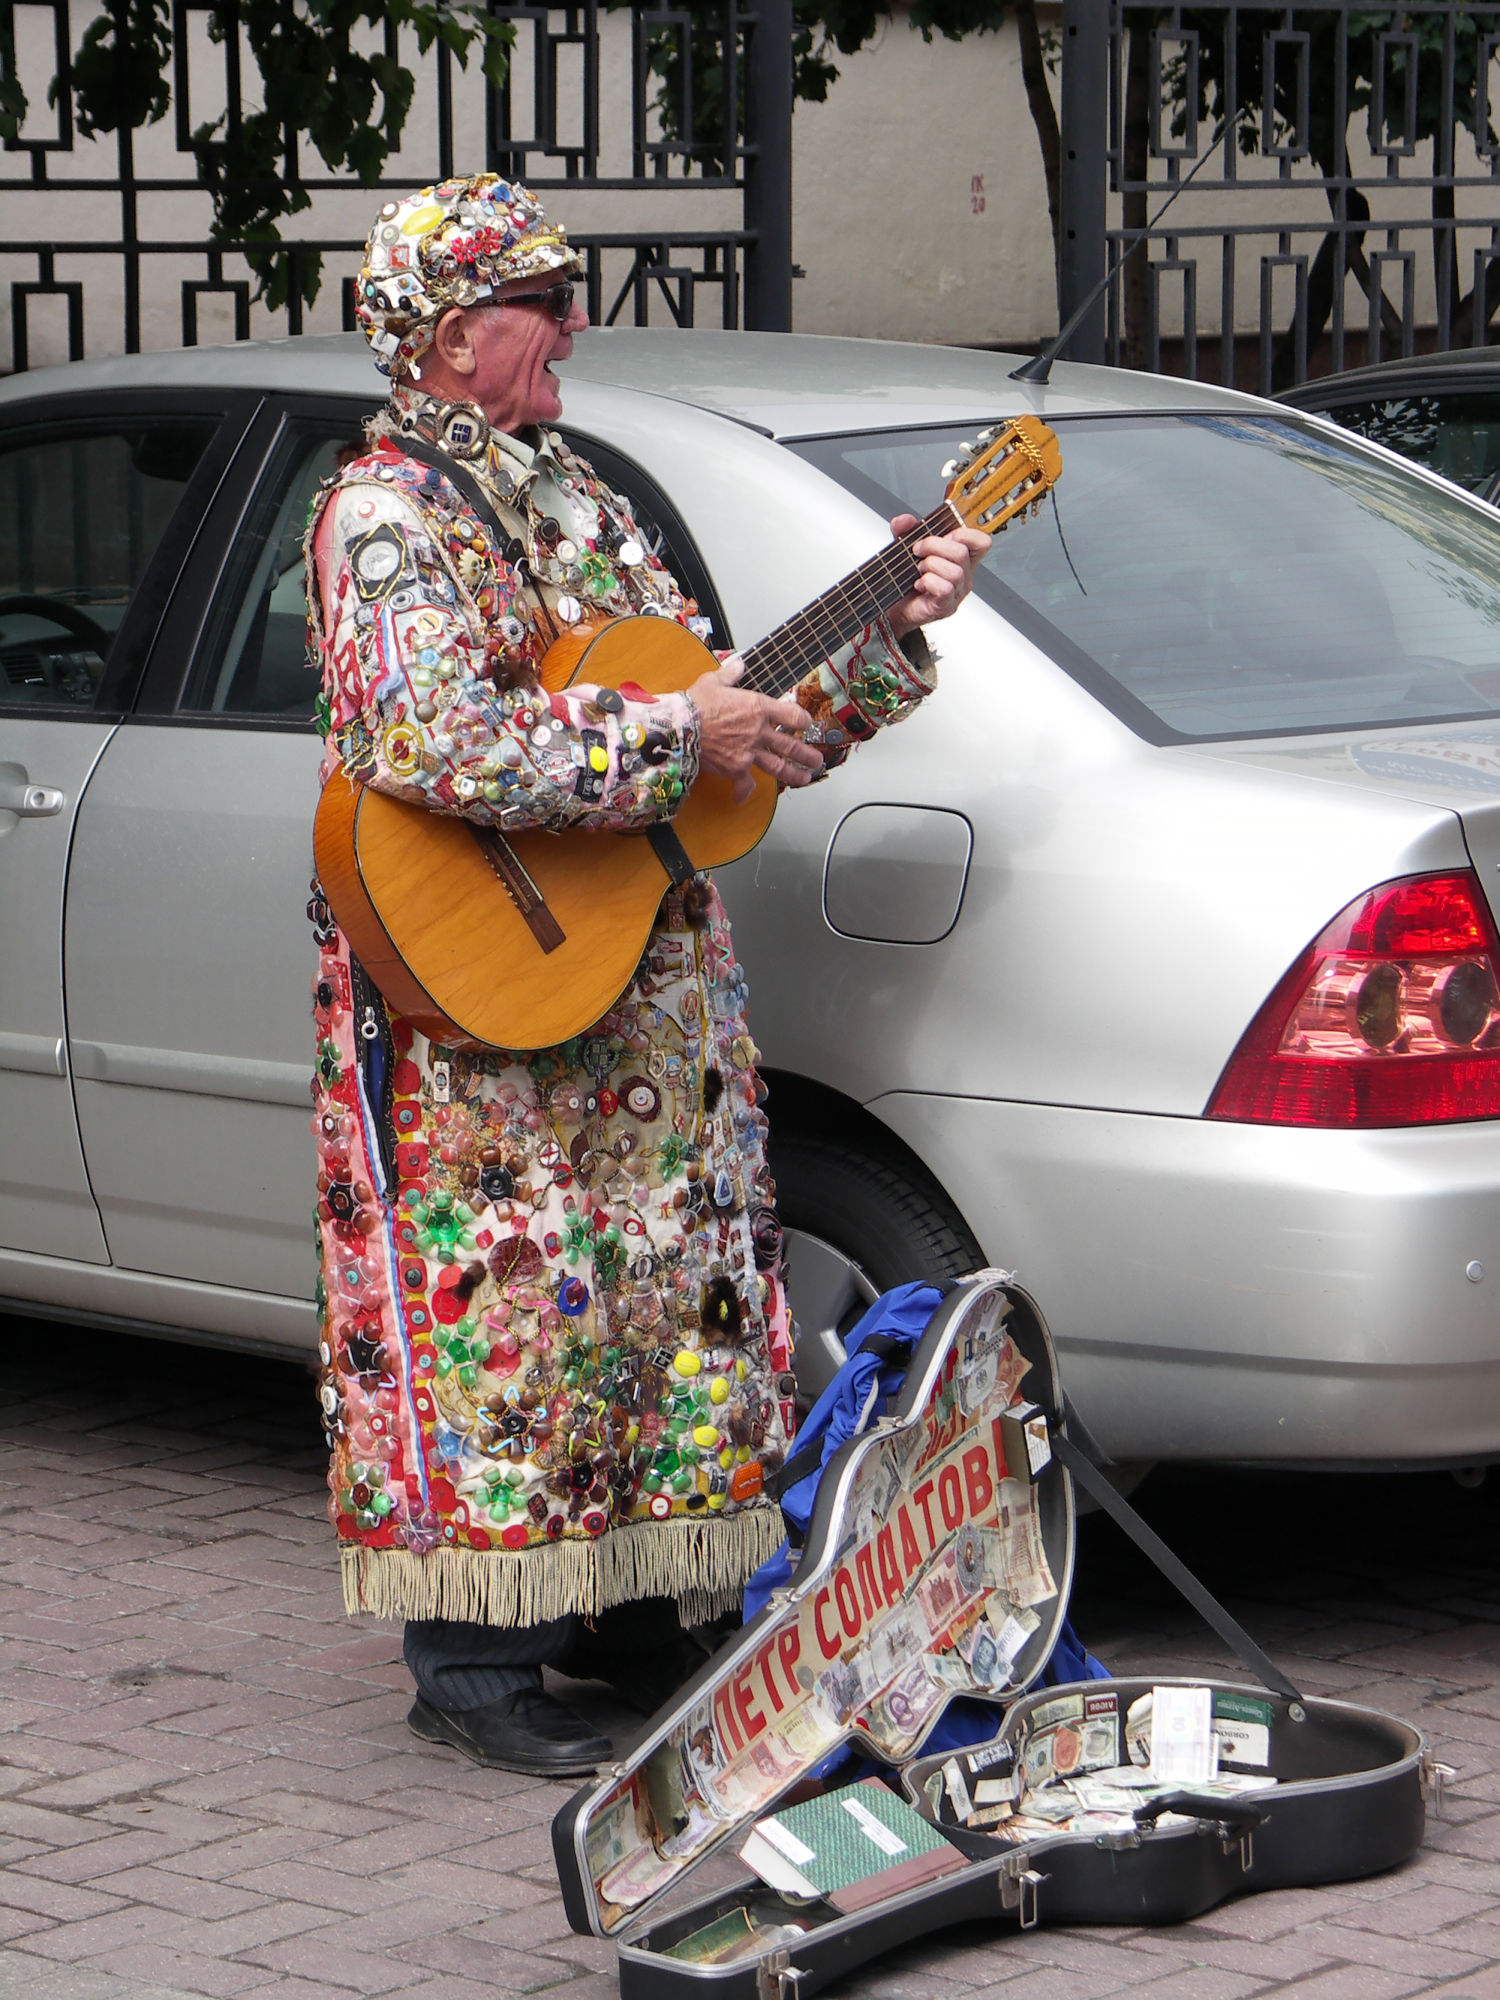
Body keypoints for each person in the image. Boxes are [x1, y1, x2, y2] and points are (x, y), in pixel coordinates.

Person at [305, 171, 989, 1777]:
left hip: (647, 990)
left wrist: (886, 632)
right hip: (483, 1004)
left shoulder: (582, 494)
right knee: (514, 1311)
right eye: (545, 302)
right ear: (458, 335)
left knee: (656, 1304)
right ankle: (475, 1669)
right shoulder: (385, 514)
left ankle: (632, 1619)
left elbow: (746, 728)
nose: (573, 327)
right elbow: (426, 739)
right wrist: (683, 728)